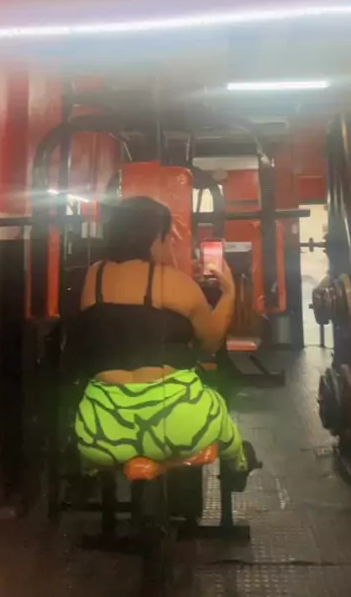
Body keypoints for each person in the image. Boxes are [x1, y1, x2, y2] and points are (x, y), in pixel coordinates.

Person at [74, 196, 261, 491]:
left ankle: (90, 472)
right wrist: (228, 293)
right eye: (168, 237)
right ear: (155, 239)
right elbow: (210, 343)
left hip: (101, 432)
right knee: (220, 411)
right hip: (179, 426)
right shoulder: (175, 283)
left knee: (97, 440)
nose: (171, 244)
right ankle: (238, 463)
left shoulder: (93, 276)